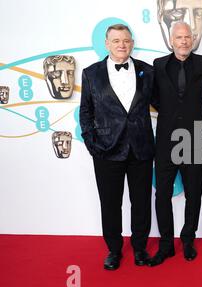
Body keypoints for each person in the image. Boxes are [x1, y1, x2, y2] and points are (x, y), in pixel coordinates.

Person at [79, 24, 155, 270]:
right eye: (116, 41)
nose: (122, 45)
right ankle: (113, 249)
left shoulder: (147, 71)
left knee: (141, 201)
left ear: (132, 43)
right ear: (107, 43)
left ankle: (140, 248)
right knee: (110, 203)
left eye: (126, 40)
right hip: (106, 150)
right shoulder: (91, 73)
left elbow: (164, 103)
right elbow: (86, 111)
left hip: (141, 147)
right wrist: (93, 144)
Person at [150, 22, 202, 266]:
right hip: (166, 139)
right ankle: (166, 244)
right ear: (171, 40)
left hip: (196, 138)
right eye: (179, 37)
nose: (184, 41)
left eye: (188, 37)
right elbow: (153, 96)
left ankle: (188, 239)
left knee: (194, 193)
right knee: (162, 193)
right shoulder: (158, 65)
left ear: (193, 39)